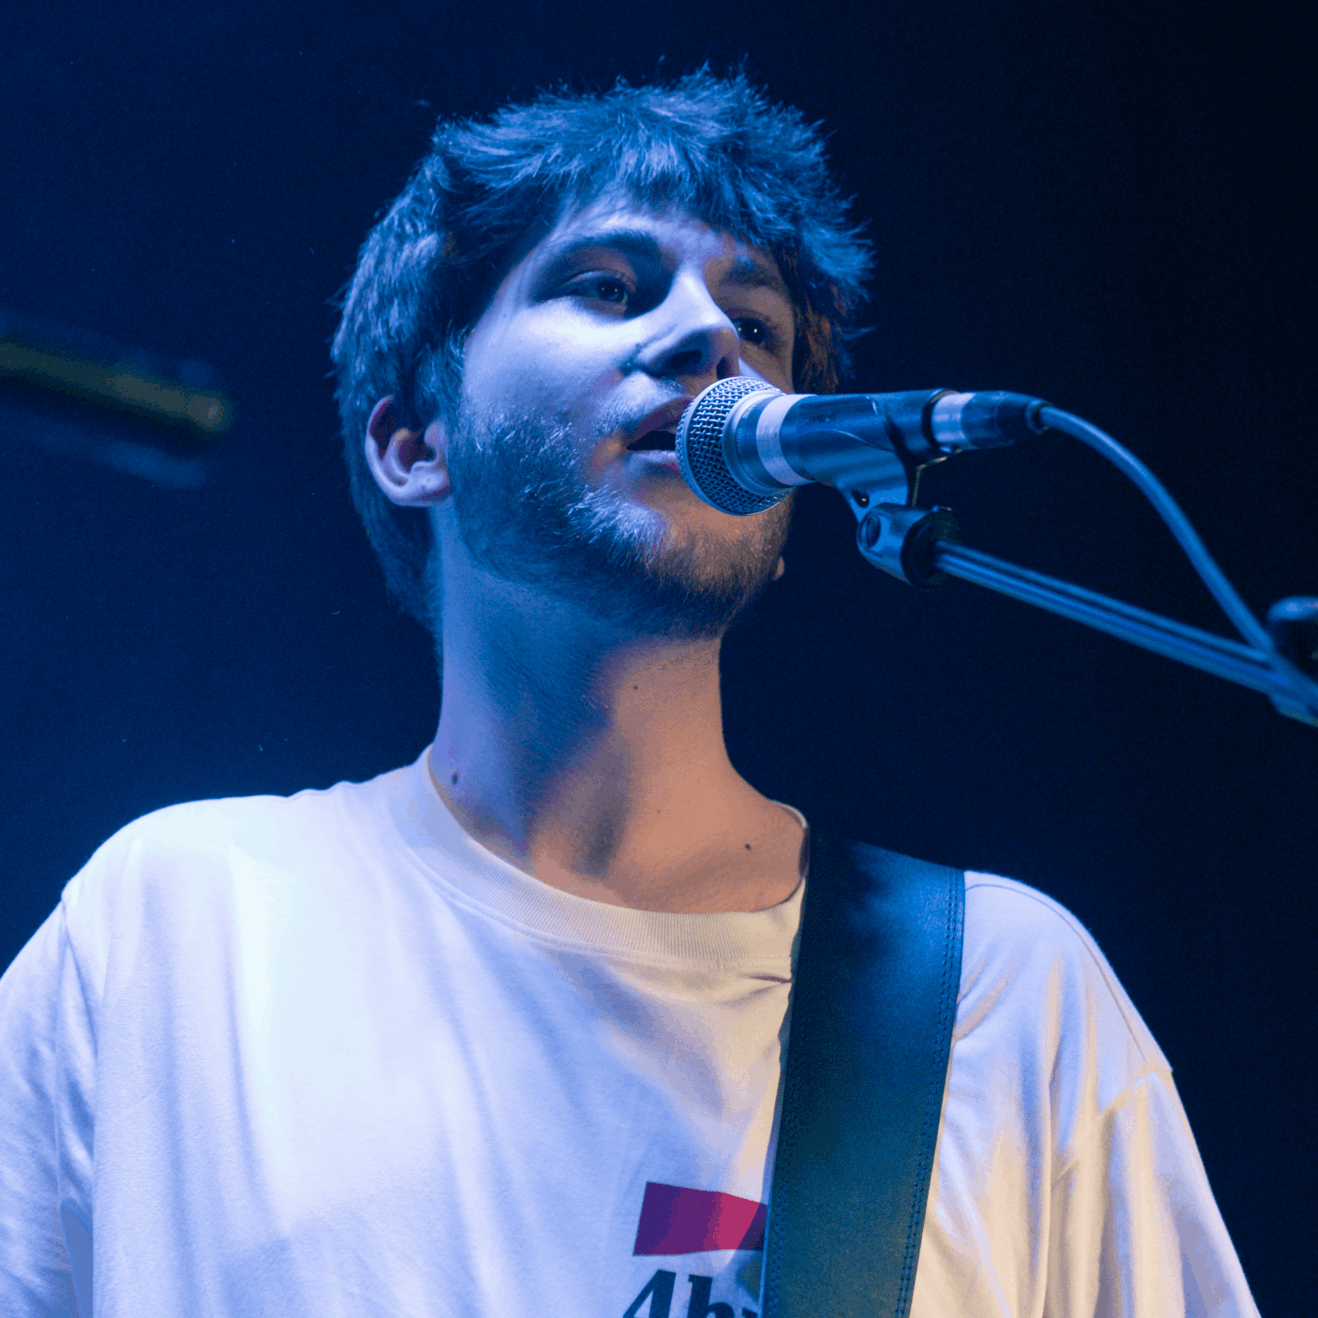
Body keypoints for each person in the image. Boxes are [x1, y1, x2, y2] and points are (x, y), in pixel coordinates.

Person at [0, 72, 1258, 1317]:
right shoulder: (178, 928)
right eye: (607, 285)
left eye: (756, 328)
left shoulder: (1001, 994)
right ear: (414, 441)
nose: (710, 337)